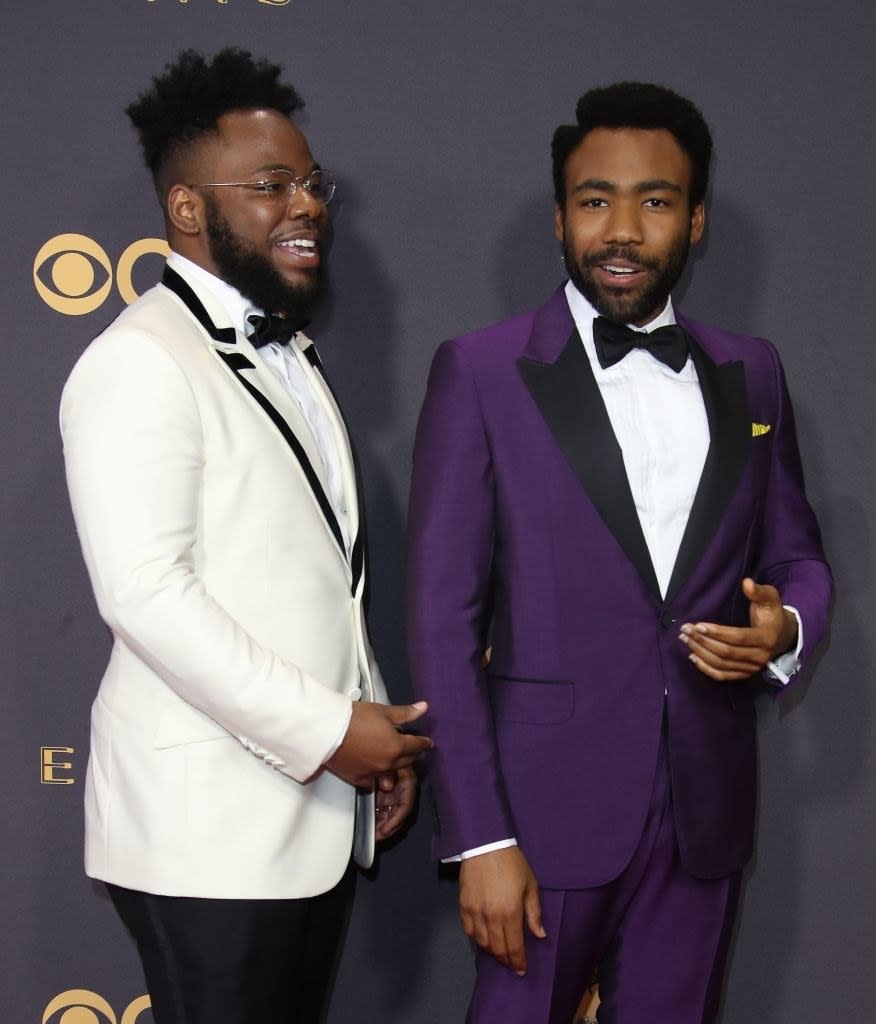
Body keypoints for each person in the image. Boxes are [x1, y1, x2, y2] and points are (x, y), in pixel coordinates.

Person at [406, 81, 832, 1024]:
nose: (623, 229)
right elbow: (441, 621)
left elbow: (796, 552)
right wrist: (479, 839)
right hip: (540, 815)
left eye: (656, 200)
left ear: (698, 219)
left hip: (704, 812)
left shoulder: (751, 368)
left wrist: (786, 627)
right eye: (596, 200)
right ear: (561, 218)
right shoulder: (481, 370)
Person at [60, 48, 431, 1024]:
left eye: (312, 183)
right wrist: (329, 733)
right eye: (272, 185)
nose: (307, 205)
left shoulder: (291, 357)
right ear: (188, 208)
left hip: (309, 817)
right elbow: (145, 591)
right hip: (207, 835)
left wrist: (374, 729)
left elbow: (316, 579)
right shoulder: (140, 361)